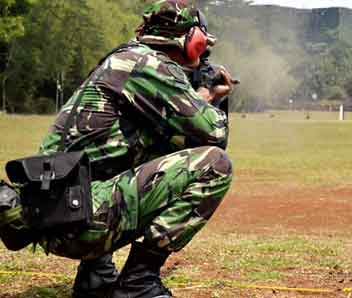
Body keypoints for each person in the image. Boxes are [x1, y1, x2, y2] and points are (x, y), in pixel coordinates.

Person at [0, 1, 235, 297]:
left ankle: (95, 276)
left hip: (54, 215)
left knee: (149, 150)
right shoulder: (150, 65)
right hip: (78, 221)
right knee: (215, 166)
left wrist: (200, 94)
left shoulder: (124, 60)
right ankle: (138, 282)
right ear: (190, 39)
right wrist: (212, 95)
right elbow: (213, 135)